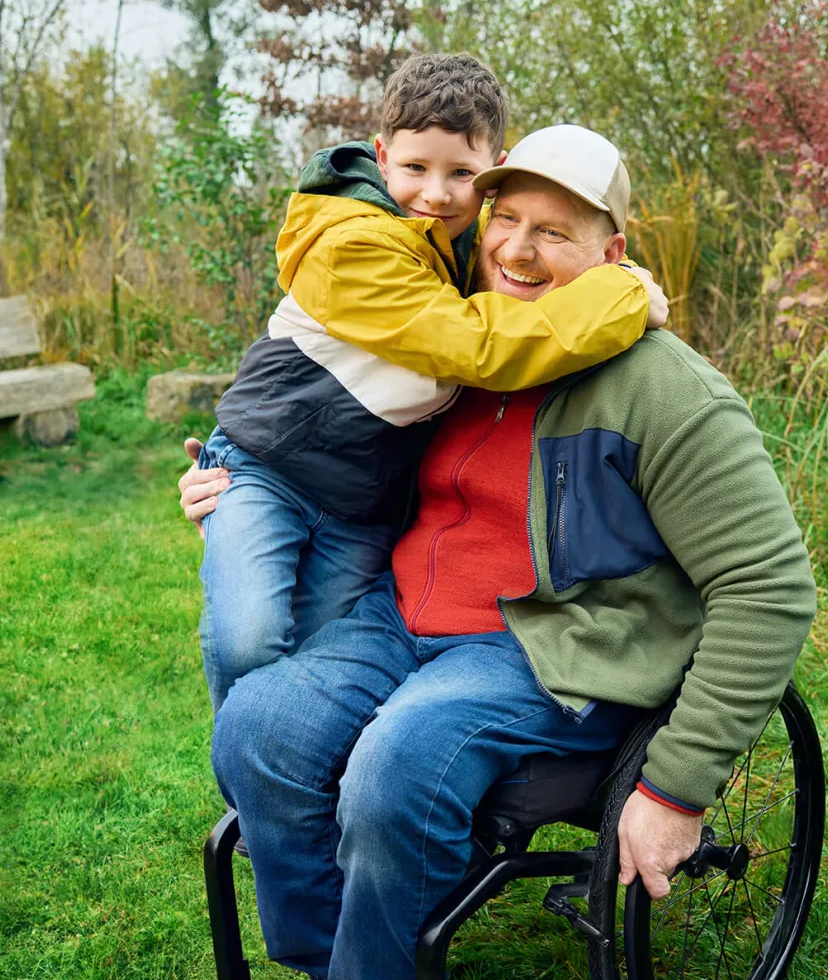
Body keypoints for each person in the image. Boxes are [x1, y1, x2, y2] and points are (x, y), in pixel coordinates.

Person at [181, 124, 818, 980]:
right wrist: (234, 483)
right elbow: (317, 434)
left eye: (554, 232)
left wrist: (677, 788)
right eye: (505, 220)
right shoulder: (456, 345)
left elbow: (769, 585)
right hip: (398, 616)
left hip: (547, 645)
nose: (518, 249)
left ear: (613, 254)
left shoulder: (666, 390)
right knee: (257, 726)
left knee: (395, 767)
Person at [197, 54, 668, 711]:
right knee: (248, 639)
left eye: (462, 174)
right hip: (274, 469)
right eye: (416, 168)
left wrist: (610, 275)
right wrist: (622, 298)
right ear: (382, 157)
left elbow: (552, 262)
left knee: (316, 657)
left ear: (492, 172)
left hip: (361, 502)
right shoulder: (353, 245)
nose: (438, 194)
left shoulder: (463, 247)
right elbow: (478, 344)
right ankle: (242, 764)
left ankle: (296, 758)